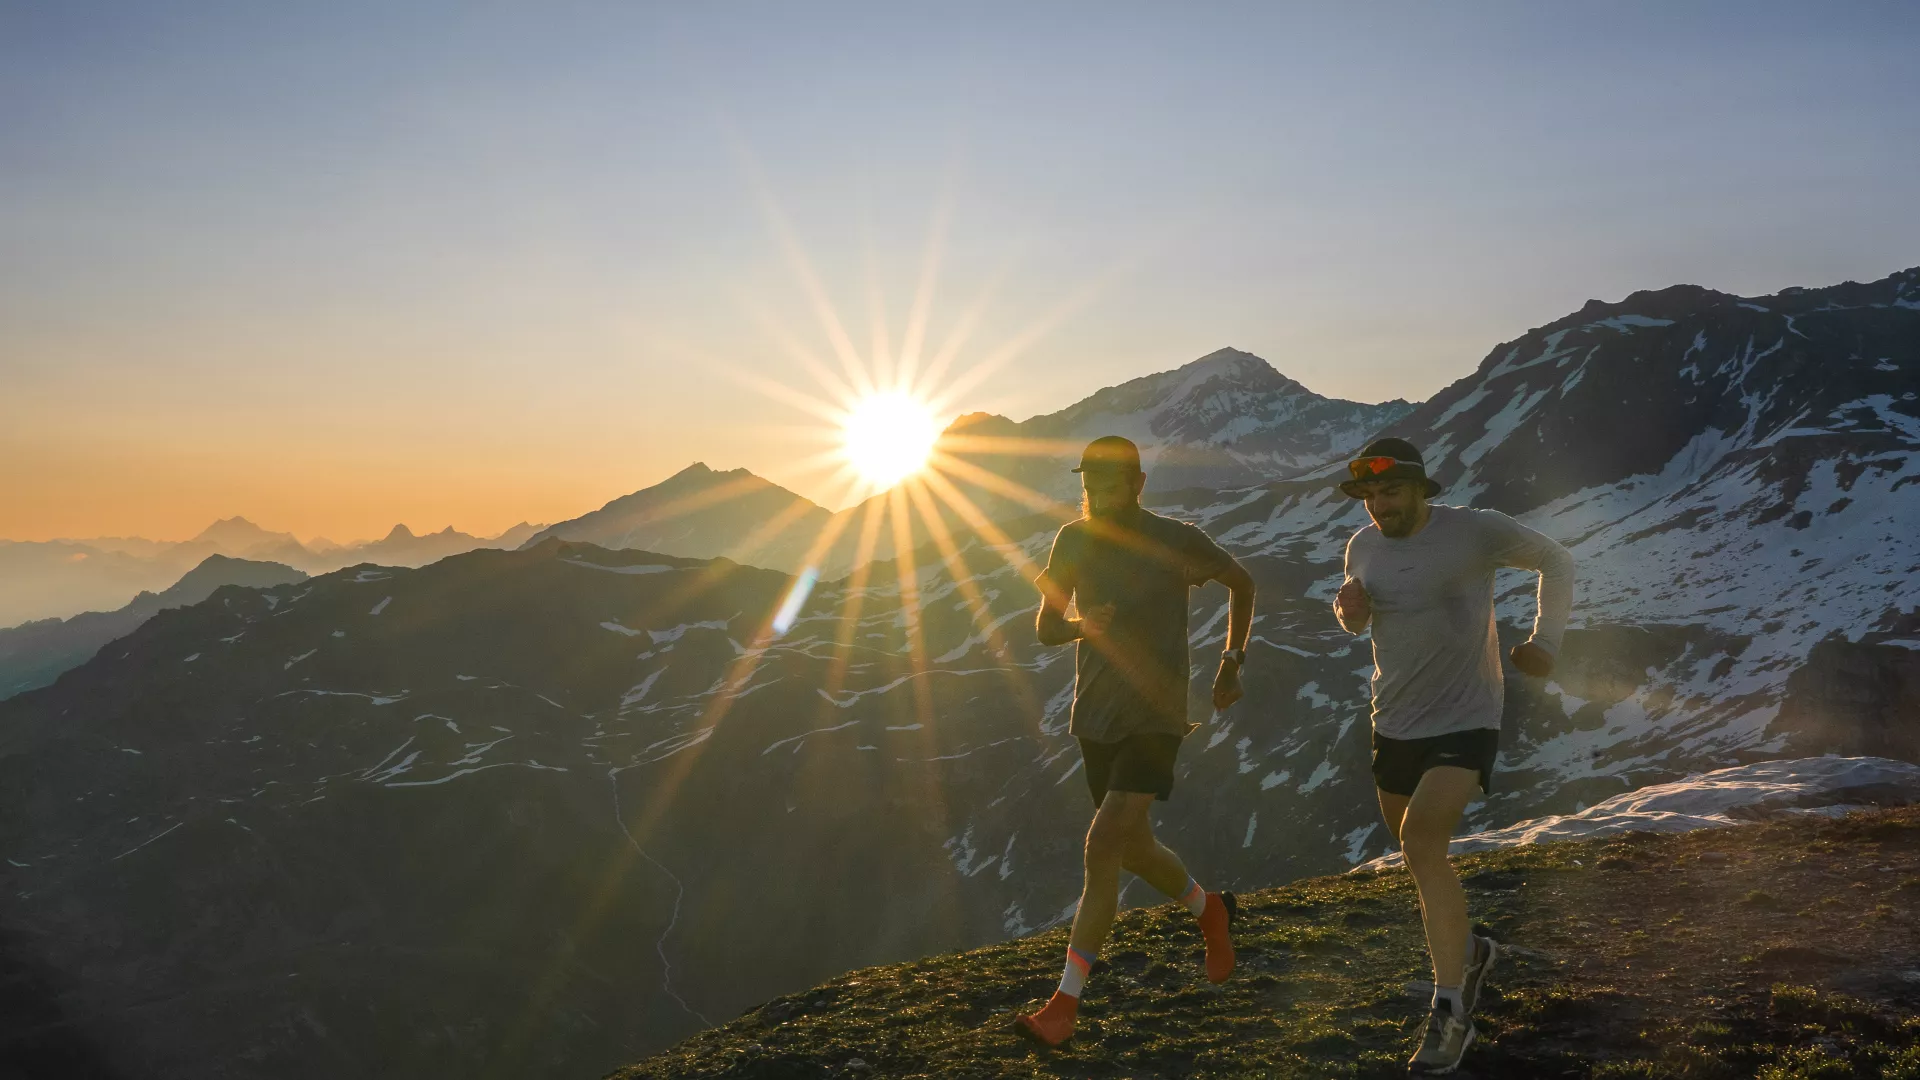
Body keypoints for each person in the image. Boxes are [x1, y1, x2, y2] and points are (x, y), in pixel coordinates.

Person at [1334, 437, 1574, 1076]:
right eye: (1369, 495)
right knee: (1421, 858)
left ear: (1419, 487)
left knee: (1418, 847)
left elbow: (1556, 558)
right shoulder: (1362, 545)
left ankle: (1450, 1013)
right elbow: (1358, 618)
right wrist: (1347, 611)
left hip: (1467, 718)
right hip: (1395, 721)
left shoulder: (1475, 532)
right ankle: (1468, 952)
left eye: (1390, 491)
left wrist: (1544, 641)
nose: (1379, 505)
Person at [1014, 435, 1258, 1047]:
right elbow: (1045, 625)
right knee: (1135, 847)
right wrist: (1078, 627)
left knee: (1102, 846)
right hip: (1094, 716)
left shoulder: (1176, 539)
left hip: (1157, 714)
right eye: (1089, 482)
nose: (1096, 492)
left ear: (1138, 484)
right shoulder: (1072, 540)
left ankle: (1063, 1006)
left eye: (1109, 482)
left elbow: (1243, 583)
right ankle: (1211, 912)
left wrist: (1231, 662)